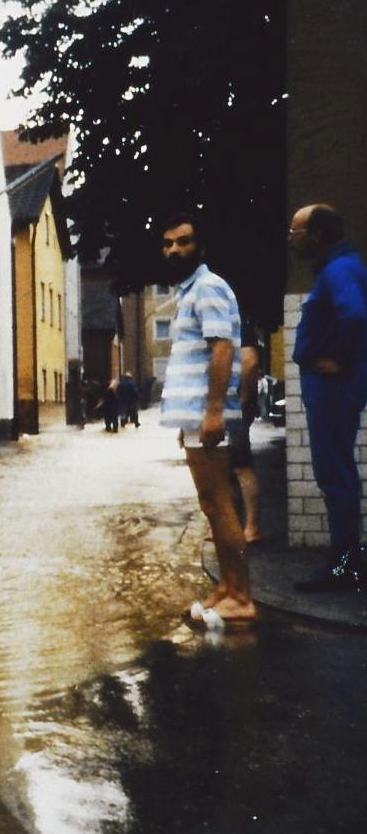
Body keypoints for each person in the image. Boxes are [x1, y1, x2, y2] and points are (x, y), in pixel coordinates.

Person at [157, 212, 255, 630]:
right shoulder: (191, 291)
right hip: (196, 416)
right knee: (212, 504)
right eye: (168, 243)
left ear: (200, 247)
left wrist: (213, 411)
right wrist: (189, 421)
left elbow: (222, 350)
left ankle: (242, 597)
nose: (174, 250)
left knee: (219, 502)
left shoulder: (209, 286)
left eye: (183, 242)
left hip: (207, 414)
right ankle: (227, 589)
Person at [287, 204, 367, 593]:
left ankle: (345, 567)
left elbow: (355, 317)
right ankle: (347, 561)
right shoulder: (341, 266)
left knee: (334, 472)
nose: (291, 238)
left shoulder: (338, 270)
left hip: (333, 387)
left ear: (317, 236)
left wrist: (340, 359)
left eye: (296, 232)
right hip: (334, 386)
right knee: (338, 470)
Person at [228, 321, 264, 544]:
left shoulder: (237, 322)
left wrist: (241, 400)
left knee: (240, 465)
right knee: (228, 467)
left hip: (234, 407)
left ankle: (252, 527)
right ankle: (233, 525)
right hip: (229, 406)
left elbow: (250, 362)